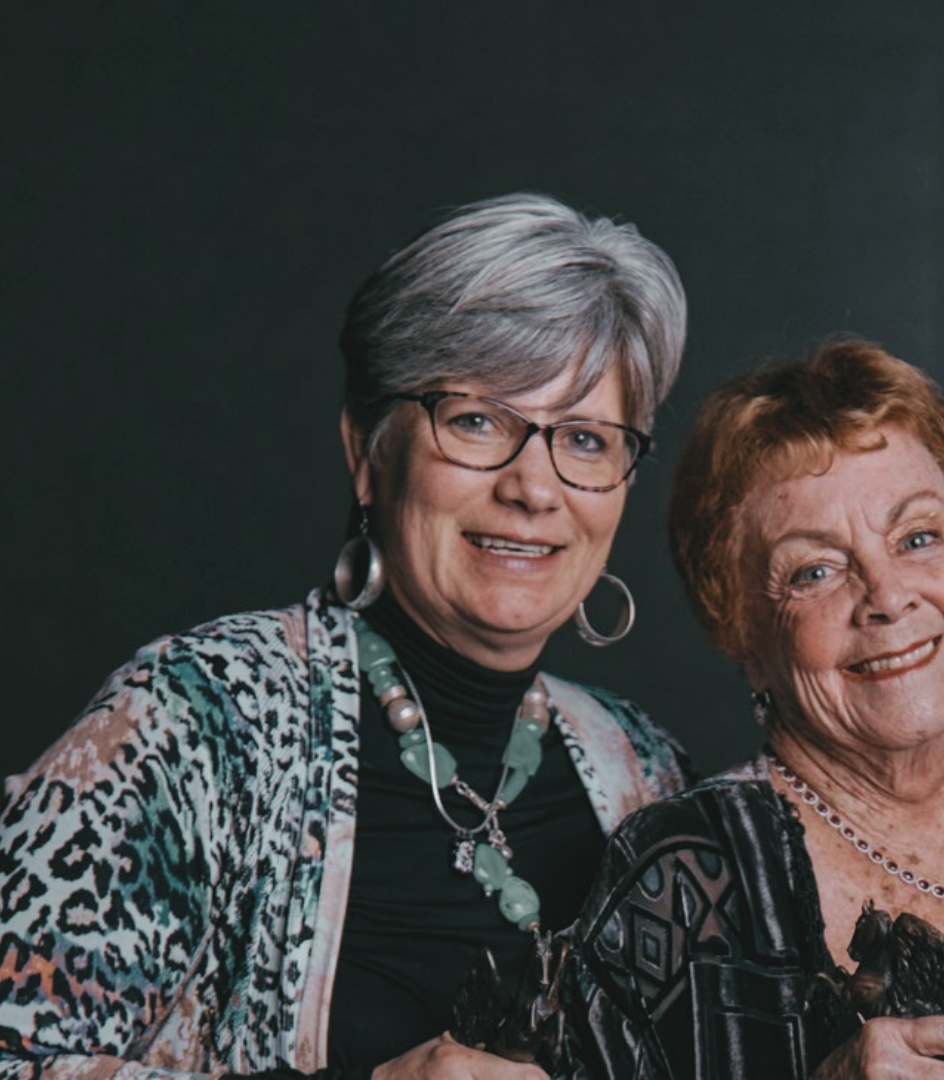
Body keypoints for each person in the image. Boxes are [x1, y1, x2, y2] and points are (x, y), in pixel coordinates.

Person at [0, 193, 692, 1078]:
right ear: (367, 451)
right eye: (477, 420)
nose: (535, 487)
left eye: (586, 439)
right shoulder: (199, 722)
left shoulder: (649, 774)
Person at [561, 338, 944, 1080]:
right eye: (815, 570)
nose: (886, 597)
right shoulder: (683, 884)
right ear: (742, 633)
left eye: (918, 538)